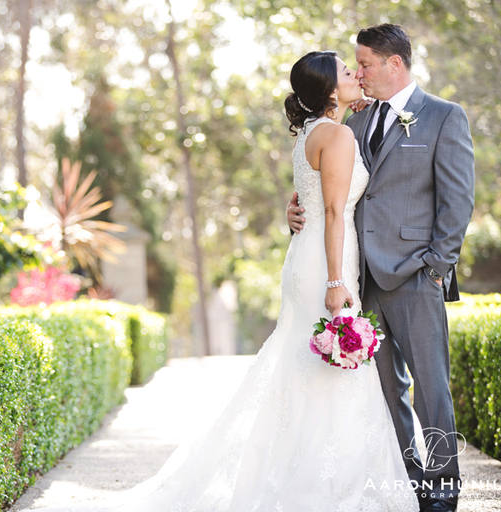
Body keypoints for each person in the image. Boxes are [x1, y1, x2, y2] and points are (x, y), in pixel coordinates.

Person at [21, 50, 418, 512]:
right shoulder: (338, 135)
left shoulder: (312, 132)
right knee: (328, 366)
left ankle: (306, 475)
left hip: (305, 256)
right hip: (327, 262)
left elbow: (310, 199)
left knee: (304, 363)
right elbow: (332, 211)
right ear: (330, 90)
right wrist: (335, 281)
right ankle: (327, 487)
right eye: (347, 71)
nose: (356, 75)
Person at [288, 24, 475, 512]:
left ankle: (442, 490)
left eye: (365, 64)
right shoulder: (354, 122)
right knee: (386, 390)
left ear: (394, 64)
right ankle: (408, 484)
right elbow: (328, 190)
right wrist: (295, 210)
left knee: (431, 390)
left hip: (416, 275)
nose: (360, 73)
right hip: (361, 278)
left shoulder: (443, 117)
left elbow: (457, 202)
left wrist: (436, 268)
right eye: (354, 66)